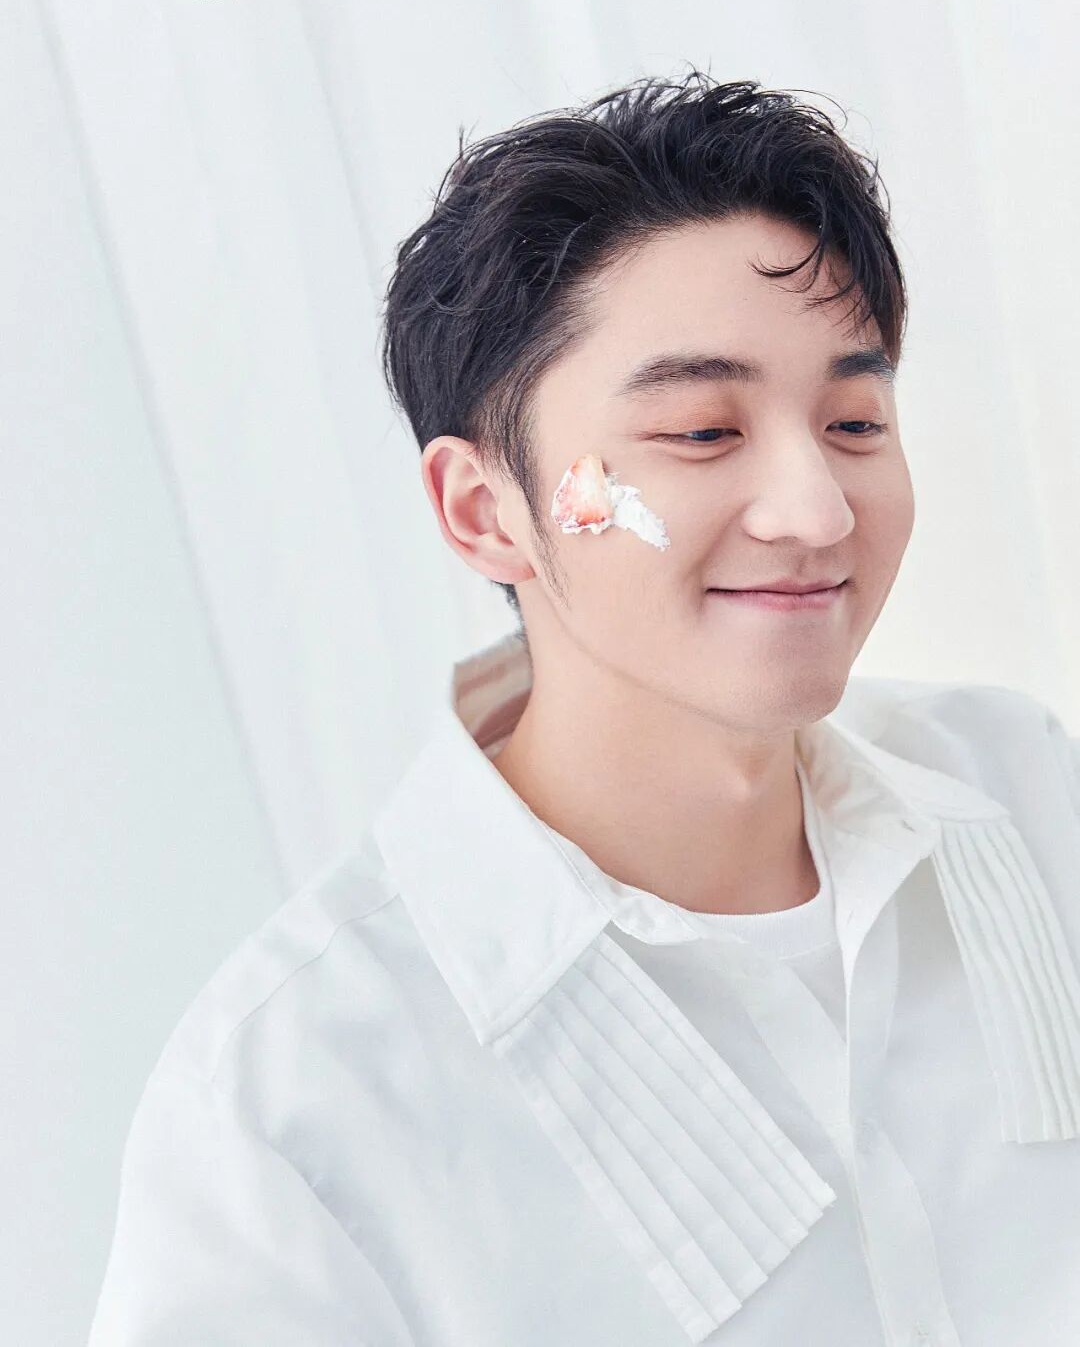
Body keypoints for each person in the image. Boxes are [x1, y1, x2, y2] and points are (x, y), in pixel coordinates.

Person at [88, 73, 1080, 1346]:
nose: (818, 509)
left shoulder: (1025, 786)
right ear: (483, 510)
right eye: (703, 431)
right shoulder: (291, 1107)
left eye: (852, 419)